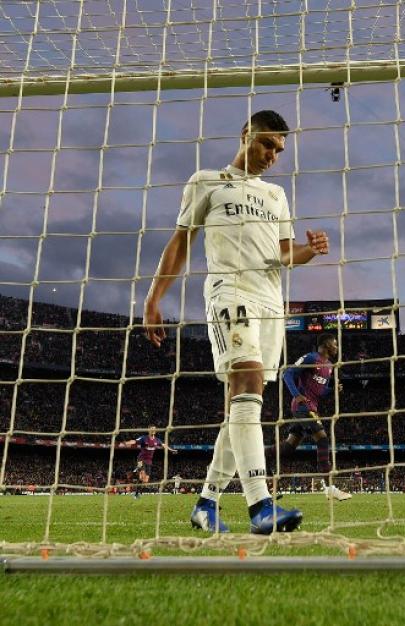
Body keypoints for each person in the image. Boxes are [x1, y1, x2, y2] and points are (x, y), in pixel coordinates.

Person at [144, 110, 330, 534]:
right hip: (230, 292)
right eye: (267, 144)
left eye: (279, 150)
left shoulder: (276, 196)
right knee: (244, 384)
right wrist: (154, 297)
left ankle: (206, 503)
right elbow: (181, 241)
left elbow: (284, 255)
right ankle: (260, 505)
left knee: (242, 407)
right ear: (246, 134)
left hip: (270, 304)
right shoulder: (206, 181)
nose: (272, 155)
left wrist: (309, 250)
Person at [268, 332, 350, 501]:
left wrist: (333, 390)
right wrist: (296, 395)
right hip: (302, 407)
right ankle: (329, 487)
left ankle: (261, 456)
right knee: (322, 439)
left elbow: (320, 391)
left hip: (312, 407)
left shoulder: (329, 366)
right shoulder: (310, 358)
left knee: (290, 446)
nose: (337, 347)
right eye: (335, 344)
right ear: (327, 345)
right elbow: (287, 374)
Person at [122, 425, 176, 499]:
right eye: (151, 429)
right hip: (141, 459)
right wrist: (127, 443)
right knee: (142, 476)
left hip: (149, 462)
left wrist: (171, 450)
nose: (153, 430)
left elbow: (164, 445)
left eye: (154, 429)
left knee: (145, 481)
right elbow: (134, 441)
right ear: (148, 430)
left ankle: (136, 493)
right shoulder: (144, 438)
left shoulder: (157, 440)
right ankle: (137, 471)